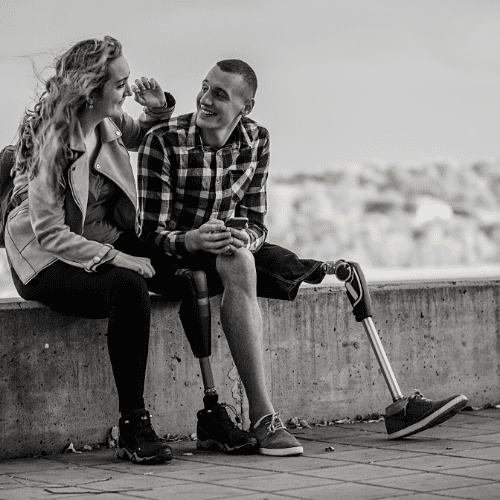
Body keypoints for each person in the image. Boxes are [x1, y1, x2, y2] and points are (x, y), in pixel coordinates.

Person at [137, 59, 468, 456]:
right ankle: (264, 417)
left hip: (225, 247)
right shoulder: (164, 139)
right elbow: (150, 235)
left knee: (341, 271)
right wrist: (192, 239)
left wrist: (245, 237)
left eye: (220, 94)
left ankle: (400, 406)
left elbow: (258, 223)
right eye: (205, 88)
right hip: (175, 254)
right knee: (238, 261)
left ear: (247, 105)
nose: (206, 99)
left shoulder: (257, 139)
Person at [5, 36, 182, 465]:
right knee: (128, 286)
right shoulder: (53, 142)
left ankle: (213, 413)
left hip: (99, 237)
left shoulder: (108, 119)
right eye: (119, 84)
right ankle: (133, 425)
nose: (126, 89)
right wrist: (119, 258)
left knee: (184, 270)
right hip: (43, 259)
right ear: (91, 90)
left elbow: (144, 135)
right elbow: (49, 233)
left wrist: (158, 107)